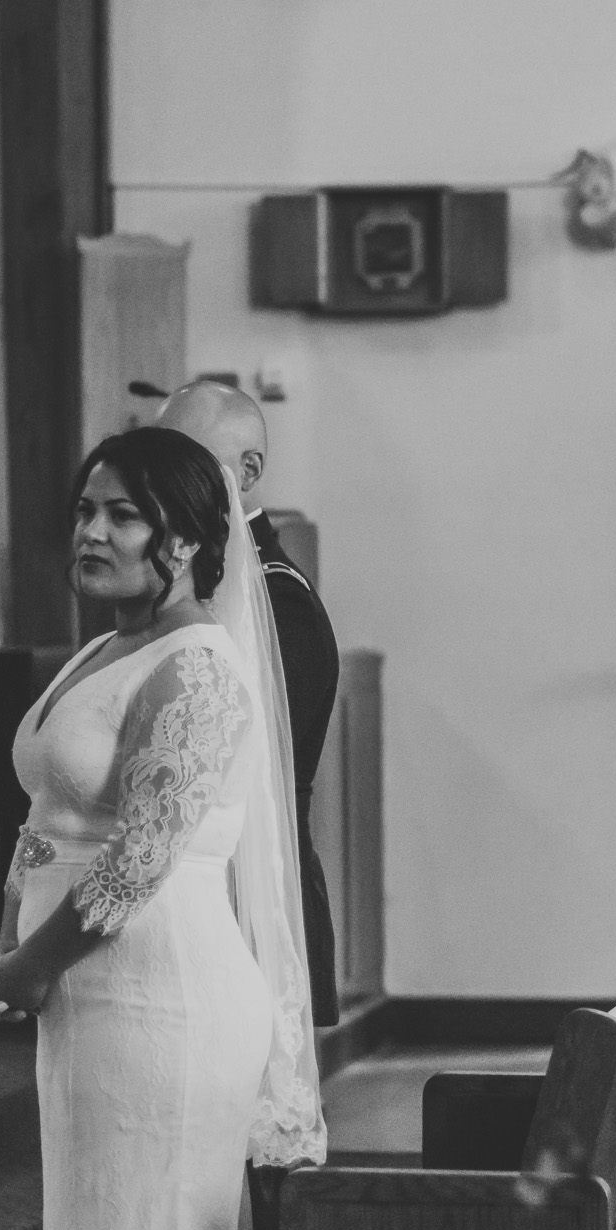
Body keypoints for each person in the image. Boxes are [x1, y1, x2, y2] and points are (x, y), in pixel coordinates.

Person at [0, 424, 325, 1230]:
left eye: (123, 514)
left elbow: (136, 862)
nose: (92, 530)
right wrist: (17, 954)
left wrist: (26, 963)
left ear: (186, 536)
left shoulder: (204, 667)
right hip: (92, 993)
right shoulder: (112, 647)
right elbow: (63, 819)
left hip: (161, 996)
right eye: (85, 507)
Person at [158, 380, 340, 1029]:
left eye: (183, 460)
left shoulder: (278, 601)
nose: (162, 484)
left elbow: (238, 777)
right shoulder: (179, 590)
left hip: (257, 911)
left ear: (248, 470)